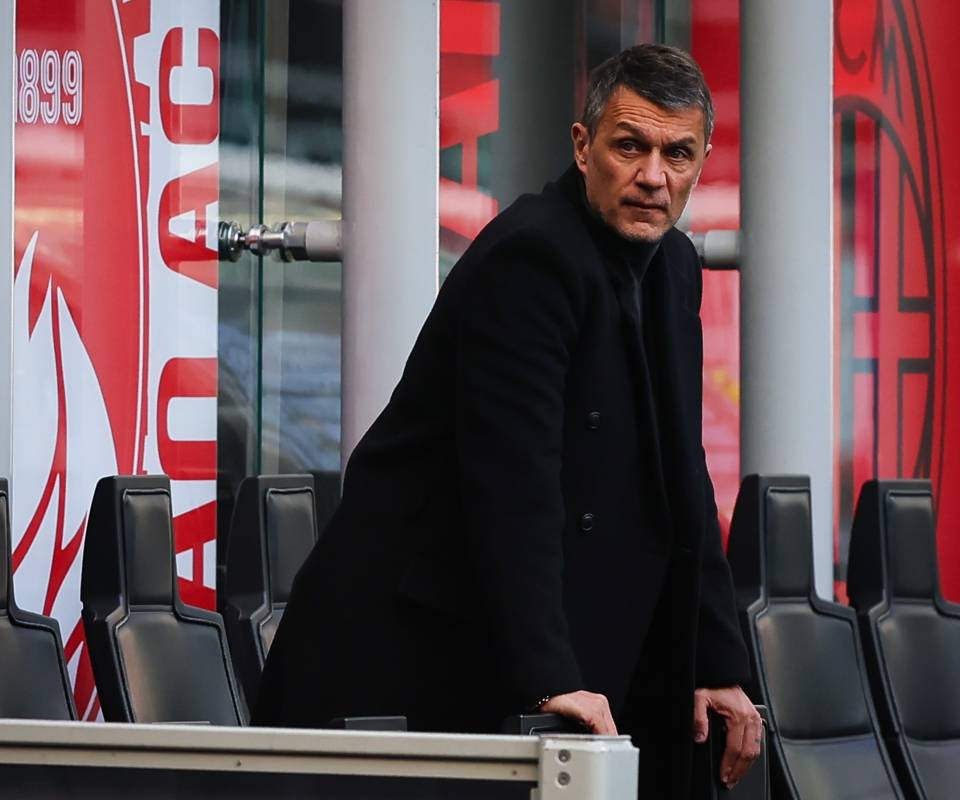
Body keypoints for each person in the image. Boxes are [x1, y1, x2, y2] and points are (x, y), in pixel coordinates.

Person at [253, 44, 762, 797]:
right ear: (583, 147)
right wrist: (548, 675)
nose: (654, 175)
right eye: (630, 146)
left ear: (702, 162)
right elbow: (512, 484)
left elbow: (684, 474)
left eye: (677, 154)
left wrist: (716, 661)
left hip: (507, 637)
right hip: (404, 653)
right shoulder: (532, 256)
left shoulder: (674, 264)